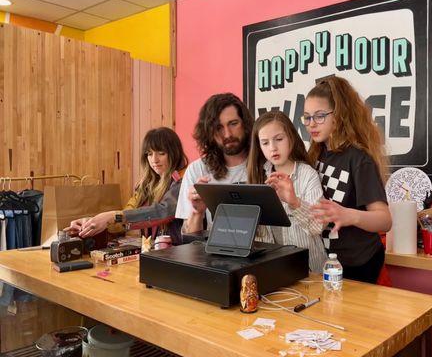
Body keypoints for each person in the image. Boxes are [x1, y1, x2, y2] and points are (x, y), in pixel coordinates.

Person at [303, 76, 392, 284]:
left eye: (319, 116)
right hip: (326, 262)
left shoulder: (359, 159)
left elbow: (385, 220)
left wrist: (348, 215)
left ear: (340, 115)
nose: (311, 124)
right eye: (307, 117)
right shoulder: (314, 156)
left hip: (361, 263)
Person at [64, 127, 188, 244]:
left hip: (177, 255)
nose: (154, 160)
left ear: (174, 153)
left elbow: (163, 211)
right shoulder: (145, 184)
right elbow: (125, 218)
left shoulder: (183, 180)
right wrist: (91, 222)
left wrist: (111, 216)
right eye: (149, 154)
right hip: (152, 252)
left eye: (161, 153)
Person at [247, 111, 327, 272]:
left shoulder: (307, 174)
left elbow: (319, 226)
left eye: (279, 139)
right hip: (272, 269)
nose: (273, 148)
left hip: (309, 269)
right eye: (265, 143)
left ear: (291, 137)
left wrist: (294, 202)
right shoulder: (257, 177)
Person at [176, 93, 254, 233]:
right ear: (209, 132)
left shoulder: (266, 163)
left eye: (233, 123)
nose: (228, 134)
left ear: (245, 124)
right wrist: (197, 213)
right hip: (217, 253)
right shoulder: (197, 169)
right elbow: (189, 242)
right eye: (219, 128)